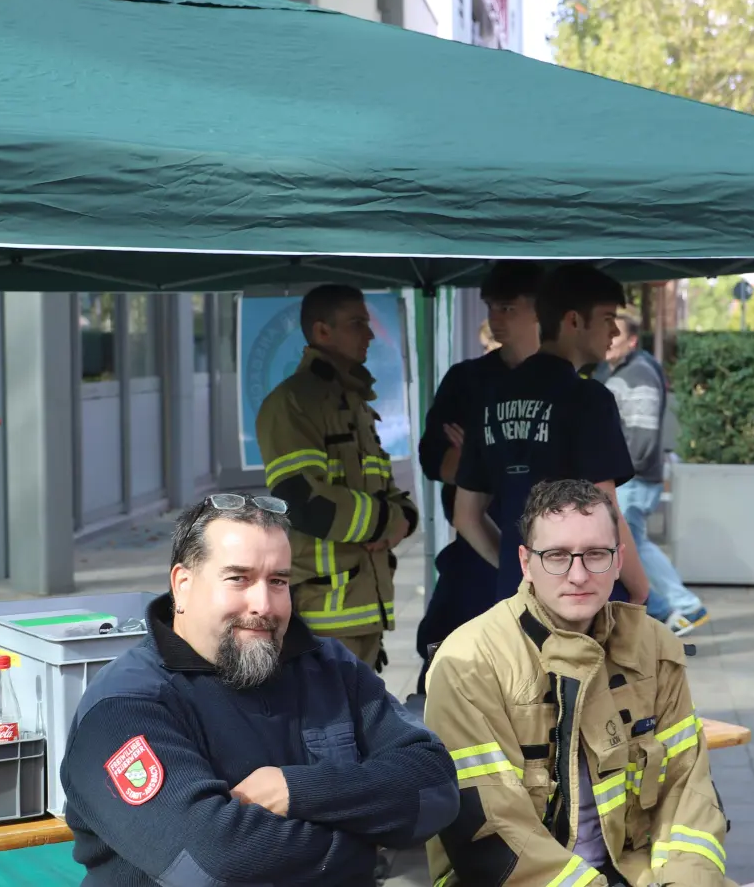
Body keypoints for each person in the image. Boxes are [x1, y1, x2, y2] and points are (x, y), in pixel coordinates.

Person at [60, 494, 459, 887]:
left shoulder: (329, 667)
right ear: (182, 585)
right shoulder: (124, 707)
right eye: (239, 578)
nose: (263, 604)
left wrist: (295, 790)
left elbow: (435, 787)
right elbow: (215, 863)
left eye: (278, 581)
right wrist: (368, 848)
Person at [424, 479, 731, 887]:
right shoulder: (468, 662)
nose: (579, 574)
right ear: (525, 563)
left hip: (632, 869)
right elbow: (492, 834)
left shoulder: (655, 647)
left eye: (595, 554)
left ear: (619, 559)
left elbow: (688, 792)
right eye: (556, 556)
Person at [453, 262, 651, 606]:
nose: (615, 333)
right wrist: (640, 587)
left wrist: (523, 569)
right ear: (573, 321)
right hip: (580, 599)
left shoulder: (491, 398)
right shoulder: (588, 399)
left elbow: (465, 517)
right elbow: (606, 512)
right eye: (607, 319)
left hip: (515, 600)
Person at [255, 283, 417, 670]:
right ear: (322, 331)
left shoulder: (355, 404)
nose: (370, 334)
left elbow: (388, 491)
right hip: (322, 618)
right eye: (357, 323)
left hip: (364, 609)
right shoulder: (293, 403)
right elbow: (304, 502)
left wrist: (403, 519)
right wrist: (385, 522)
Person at [414, 262, 543, 695]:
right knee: (447, 665)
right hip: (474, 554)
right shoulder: (466, 380)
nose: (495, 319)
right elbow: (435, 463)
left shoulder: (563, 384)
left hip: (546, 556)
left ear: (538, 312)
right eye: (491, 308)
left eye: (507, 308)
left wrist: (481, 453)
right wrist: (484, 458)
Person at [597, 311, 708, 635]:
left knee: (629, 544)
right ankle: (684, 607)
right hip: (631, 477)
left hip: (634, 478)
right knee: (636, 543)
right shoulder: (616, 369)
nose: (608, 342)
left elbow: (642, 438)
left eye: (615, 337)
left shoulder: (639, 374)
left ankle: (678, 608)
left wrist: (615, 478)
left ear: (631, 341)